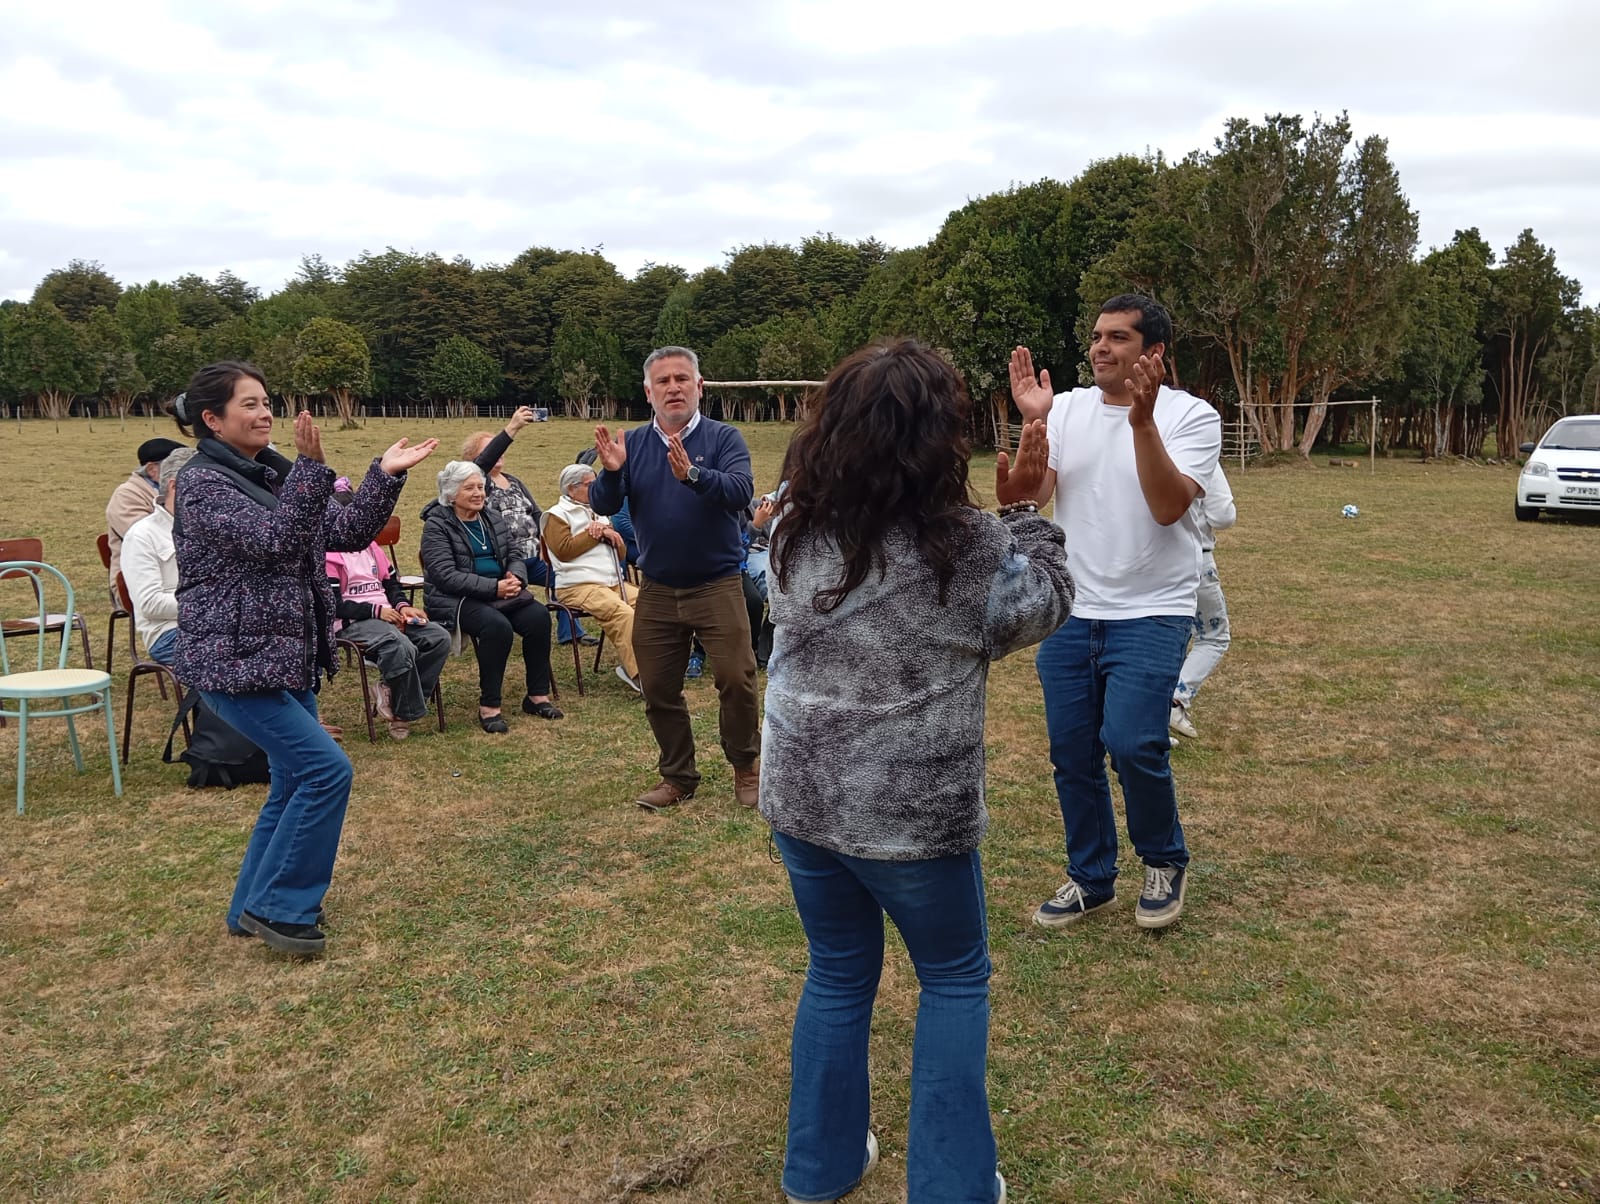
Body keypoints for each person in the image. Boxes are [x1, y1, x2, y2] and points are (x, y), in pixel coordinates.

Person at [761, 340, 1072, 1204]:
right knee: (953, 978)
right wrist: (1028, 515)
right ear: (940, 438)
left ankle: (817, 1174)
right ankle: (952, 1188)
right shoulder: (966, 544)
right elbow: (1041, 602)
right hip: (911, 817)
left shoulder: (791, 523)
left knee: (836, 971)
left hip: (804, 799)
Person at [170, 361, 438, 956]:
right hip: (236, 659)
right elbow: (275, 541)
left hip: (285, 657)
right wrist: (311, 472)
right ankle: (284, 909)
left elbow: (343, 531)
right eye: (248, 404)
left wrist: (383, 475)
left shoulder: (271, 473)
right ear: (211, 420)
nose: (264, 413)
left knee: (293, 779)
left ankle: (251, 908)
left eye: (266, 402)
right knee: (325, 771)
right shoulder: (203, 484)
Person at [1008, 294, 1222, 931]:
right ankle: (1091, 877)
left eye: (1119, 338)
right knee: (1071, 753)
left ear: (1153, 352)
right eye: (1098, 337)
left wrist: (1143, 422)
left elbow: (1166, 507)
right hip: (1073, 610)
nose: (1101, 348)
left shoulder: (1192, 416)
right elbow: (1030, 498)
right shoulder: (1067, 409)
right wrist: (1033, 428)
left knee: (1134, 744)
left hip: (1154, 609)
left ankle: (1163, 860)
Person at [590, 346, 760, 811]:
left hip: (717, 582)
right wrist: (611, 472)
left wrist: (694, 475)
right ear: (648, 392)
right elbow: (605, 504)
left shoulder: (725, 438)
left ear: (699, 386)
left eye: (682, 379)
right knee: (659, 687)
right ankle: (678, 776)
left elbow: (741, 493)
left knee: (736, 678)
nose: (674, 388)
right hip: (659, 587)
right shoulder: (634, 444)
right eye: (663, 381)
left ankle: (747, 767)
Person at [420, 461, 562, 732]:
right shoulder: (437, 524)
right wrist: (493, 588)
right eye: (469, 488)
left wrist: (515, 577)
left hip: (500, 591)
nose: (478, 493)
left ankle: (537, 696)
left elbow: (515, 554)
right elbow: (443, 575)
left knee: (539, 617)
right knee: (496, 627)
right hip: (456, 599)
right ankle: (490, 706)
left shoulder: (491, 516)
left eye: (481, 487)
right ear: (451, 494)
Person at [325, 480, 451, 741]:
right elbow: (333, 605)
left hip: (388, 615)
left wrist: (404, 607)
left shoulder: (372, 548)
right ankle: (404, 712)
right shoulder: (329, 556)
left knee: (438, 637)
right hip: (352, 621)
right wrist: (376, 611)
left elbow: (392, 585)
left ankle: (391, 693)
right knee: (399, 644)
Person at [464, 410, 594, 648]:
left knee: (564, 578)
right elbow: (480, 467)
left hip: (534, 556)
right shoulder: (479, 483)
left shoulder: (513, 480)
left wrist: (547, 542)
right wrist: (512, 428)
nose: (499, 452)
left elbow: (535, 512)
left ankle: (571, 632)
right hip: (504, 561)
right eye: (492, 448)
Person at [542, 463, 640, 692]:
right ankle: (639, 674)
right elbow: (563, 551)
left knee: (654, 605)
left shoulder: (601, 511)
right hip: (577, 586)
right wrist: (594, 534)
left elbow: (621, 553)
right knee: (623, 613)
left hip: (613, 582)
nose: (596, 489)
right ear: (571, 488)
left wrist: (611, 535)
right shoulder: (555, 515)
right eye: (590, 485)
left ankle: (661, 666)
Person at [1170, 462, 1236, 741]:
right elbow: (1222, 515)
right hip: (1195, 559)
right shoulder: (1199, 449)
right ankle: (1176, 700)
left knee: (1166, 636)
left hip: (1146, 562)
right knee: (1214, 636)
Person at [120, 446, 197, 664]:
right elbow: (150, 604)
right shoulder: (142, 535)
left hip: (219, 625)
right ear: (174, 486)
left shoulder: (213, 527)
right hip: (169, 633)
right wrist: (212, 605)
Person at [106, 436, 185, 583]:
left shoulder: (174, 491)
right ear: (152, 470)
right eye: (173, 466)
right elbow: (149, 540)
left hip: (175, 572)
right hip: (140, 580)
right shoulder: (126, 494)